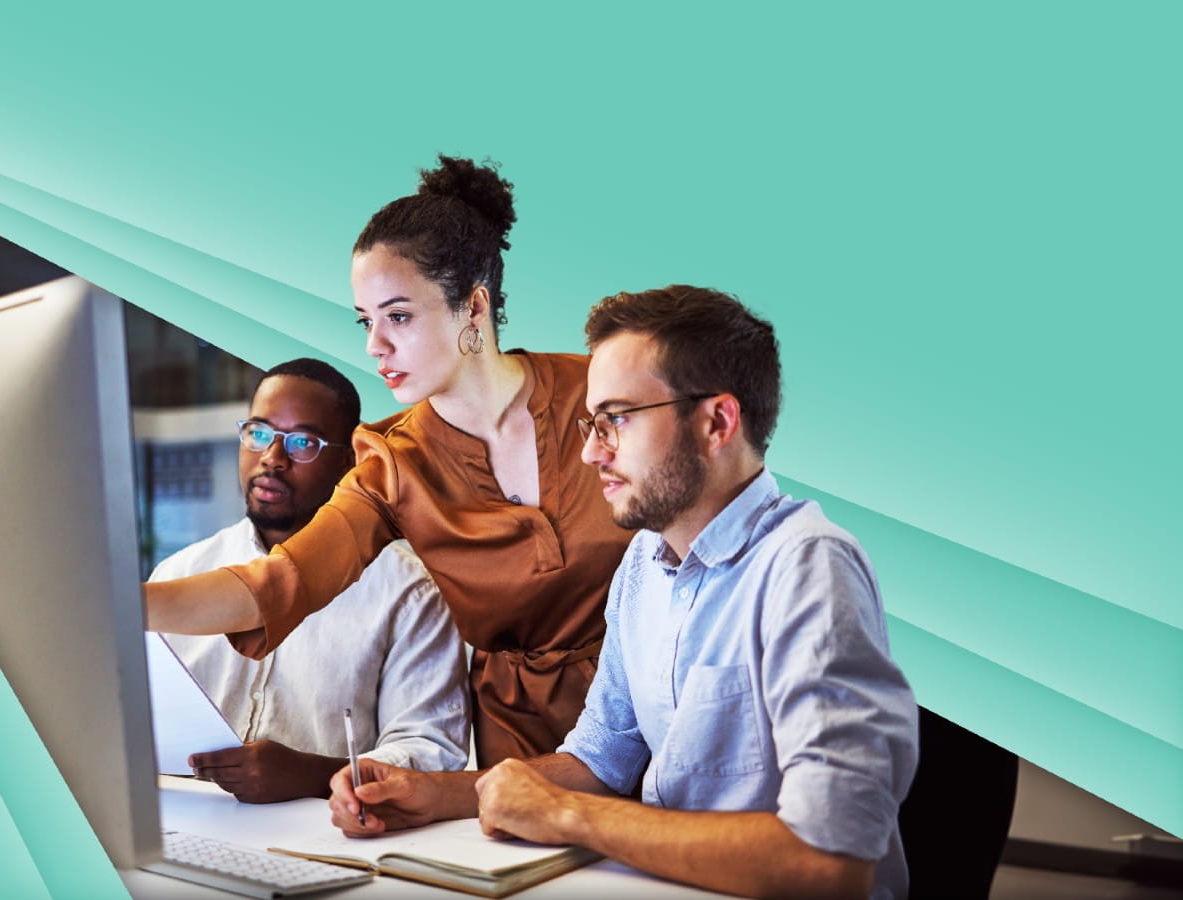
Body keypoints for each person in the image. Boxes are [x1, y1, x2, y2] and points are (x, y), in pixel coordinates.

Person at [328, 287, 919, 900]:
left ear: (717, 422)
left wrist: (567, 816)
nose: (591, 452)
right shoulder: (644, 561)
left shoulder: (808, 566)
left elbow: (832, 863)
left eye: (617, 419)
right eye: (592, 422)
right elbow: (600, 758)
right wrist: (434, 794)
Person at [144, 156, 634, 765]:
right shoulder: (391, 463)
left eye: (398, 316)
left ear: (473, 307)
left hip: (661, 702)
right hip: (522, 742)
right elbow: (280, 582)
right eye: (366, 321)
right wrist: (127, 604)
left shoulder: (602, 391)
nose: (375, 345)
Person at [150, 358, 469, 803]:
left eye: (303, 442)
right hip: (181, 818)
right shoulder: (179, 574)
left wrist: (312, 775)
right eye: (259, 433)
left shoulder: (409, 592)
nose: (272, 458)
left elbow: (432, 751)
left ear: (348, 461)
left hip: (331, 828)